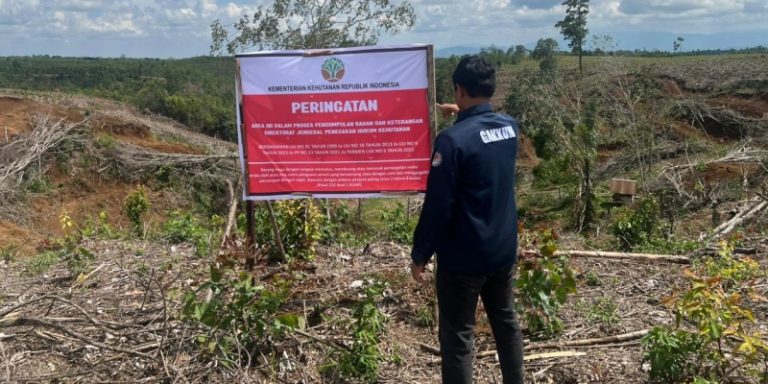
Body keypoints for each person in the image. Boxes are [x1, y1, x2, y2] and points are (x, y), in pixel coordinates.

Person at [410, 55, 524, 384]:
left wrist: (420, 253)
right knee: (506, 322)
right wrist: (460, 113)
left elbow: (438, 206)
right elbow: (481, 135)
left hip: (463, 258)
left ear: (459, 89)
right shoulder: (510, 128)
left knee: (458, 338)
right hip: (502, 250)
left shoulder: (452, 141)